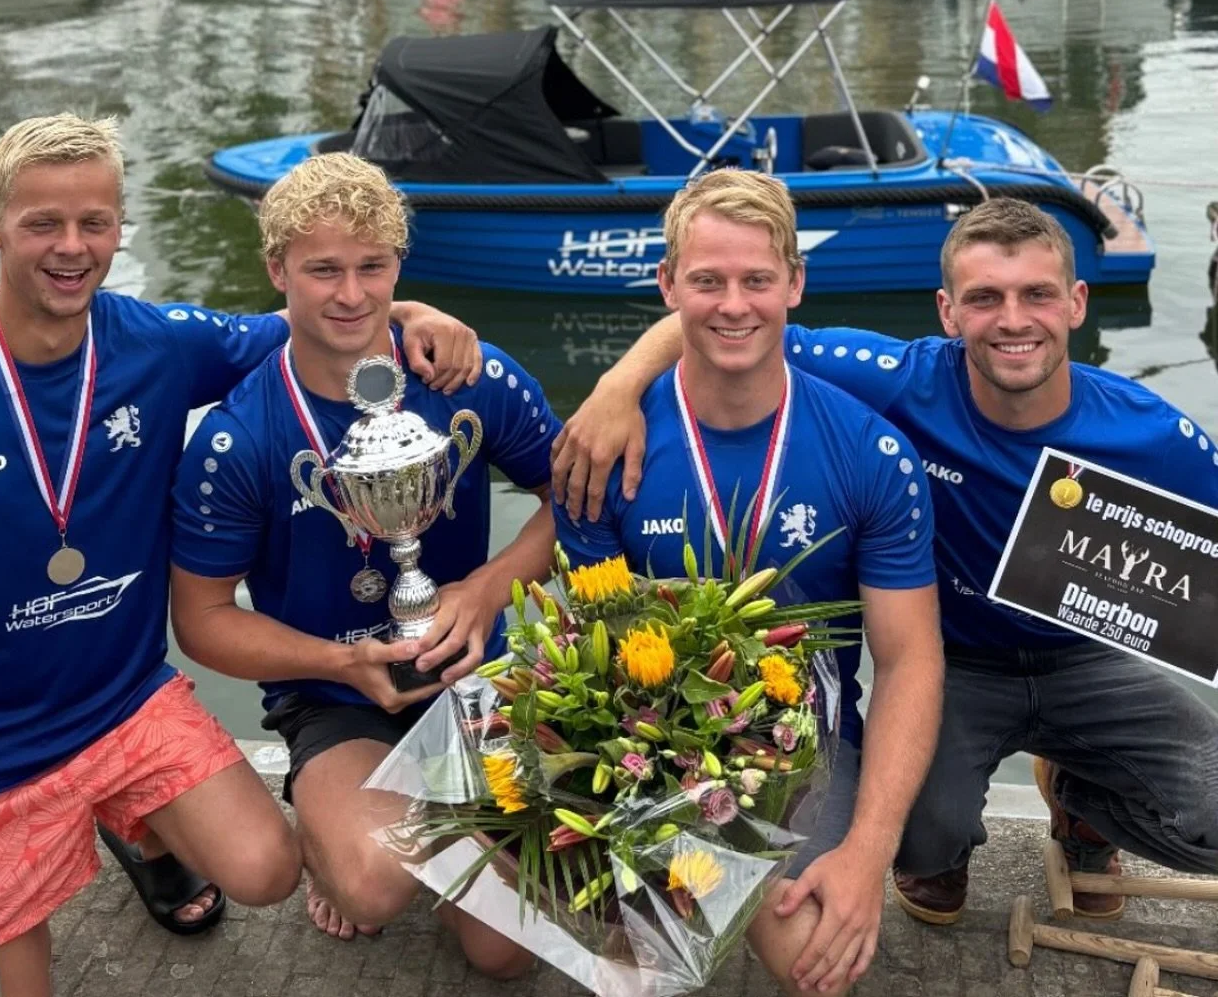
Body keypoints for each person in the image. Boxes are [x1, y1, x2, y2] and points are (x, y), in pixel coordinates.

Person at [0, 113, 480, 997]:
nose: (72, 246)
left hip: (123, 704)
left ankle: (137, 819)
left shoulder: (160, 343)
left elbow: (311, 319)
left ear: (120, 226)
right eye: (43, 223)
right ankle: (130, 827)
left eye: (95, 222)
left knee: (266, 868)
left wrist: (407, 310)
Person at [552, 197, 1218, 932]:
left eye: (1037, 294)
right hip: (958, 662)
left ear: (1076, 302)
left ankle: (1083, 801)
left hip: (1088, 660)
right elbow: (727, 318)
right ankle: (944, 846)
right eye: (984, 298)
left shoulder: (1154, 435)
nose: (1013, 320)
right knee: (919, 841)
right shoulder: (895, 381)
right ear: (947, 311)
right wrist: (616, 389)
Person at [551, 170, 943, 997]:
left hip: (812, 744)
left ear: (795, 283)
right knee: (603, 956)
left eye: (757, 279)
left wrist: (867, 851)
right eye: (708, 280)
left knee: (813, 962)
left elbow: (909, 660)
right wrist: (647, 807)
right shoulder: (603, 452)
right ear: (667, 286)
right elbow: (599, 649)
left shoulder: (871, 453)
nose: (734, 305)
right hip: (654, 739)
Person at [168, 152, 561, 966]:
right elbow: (201, 620)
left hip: (469, 665)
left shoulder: (466, 376)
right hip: (330, 693)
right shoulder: (237, 436)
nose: (351, 294)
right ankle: (343, 833)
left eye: (372, 266)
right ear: (277, 269)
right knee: (374, 884)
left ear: (398, 266)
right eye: (324, 270)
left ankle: (447, 837)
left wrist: (487, 589)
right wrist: (342, 662)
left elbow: (576, 504)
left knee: (506, 955)